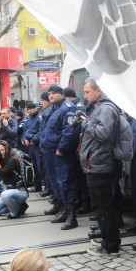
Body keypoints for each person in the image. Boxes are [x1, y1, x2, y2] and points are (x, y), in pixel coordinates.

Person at [78, 78, 121, 256]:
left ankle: (111, 245)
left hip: (100, 164)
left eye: (88, 92)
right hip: (96, 163)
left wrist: (85, 123)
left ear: (99, 90)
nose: (85, 95)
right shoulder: (100, 107)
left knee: (103, 207)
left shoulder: (105, 108)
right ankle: (108, 239)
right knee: (102, 206)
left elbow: (103, 133)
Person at [41, 84, 81, 230]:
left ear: (61, 94)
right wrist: (43, 146)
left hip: (61, 153)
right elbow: (44, 128)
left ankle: (72, 216)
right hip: (50, 151)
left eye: (53, 93)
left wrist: (62, 149)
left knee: (65, 182)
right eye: (49, 94)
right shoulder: (52, 108)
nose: (50, 96)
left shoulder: (67, 108)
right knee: (55, 183)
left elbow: (70, 131)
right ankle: (63, 210)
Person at [0, 141, 29, 219]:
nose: (1, 152)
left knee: (4, 195)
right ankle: (19, 206)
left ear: (7, 149)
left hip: (20, 191)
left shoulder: (12, 159)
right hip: (8, 191)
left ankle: (14, 213)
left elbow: (2, 173)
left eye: (3, 150)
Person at [23, 101, 43, 192]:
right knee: (34, 166)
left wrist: (33, 140)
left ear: (36, 108)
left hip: (36, 145)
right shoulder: (29, 119)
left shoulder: (40, 118)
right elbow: (24, 131)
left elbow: (41, 131)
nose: (30, 111)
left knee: (39, 166)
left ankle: (43, 185)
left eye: (31, 109)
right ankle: (37, 185)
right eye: (28, 109)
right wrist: (24, 139)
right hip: (29, 145)